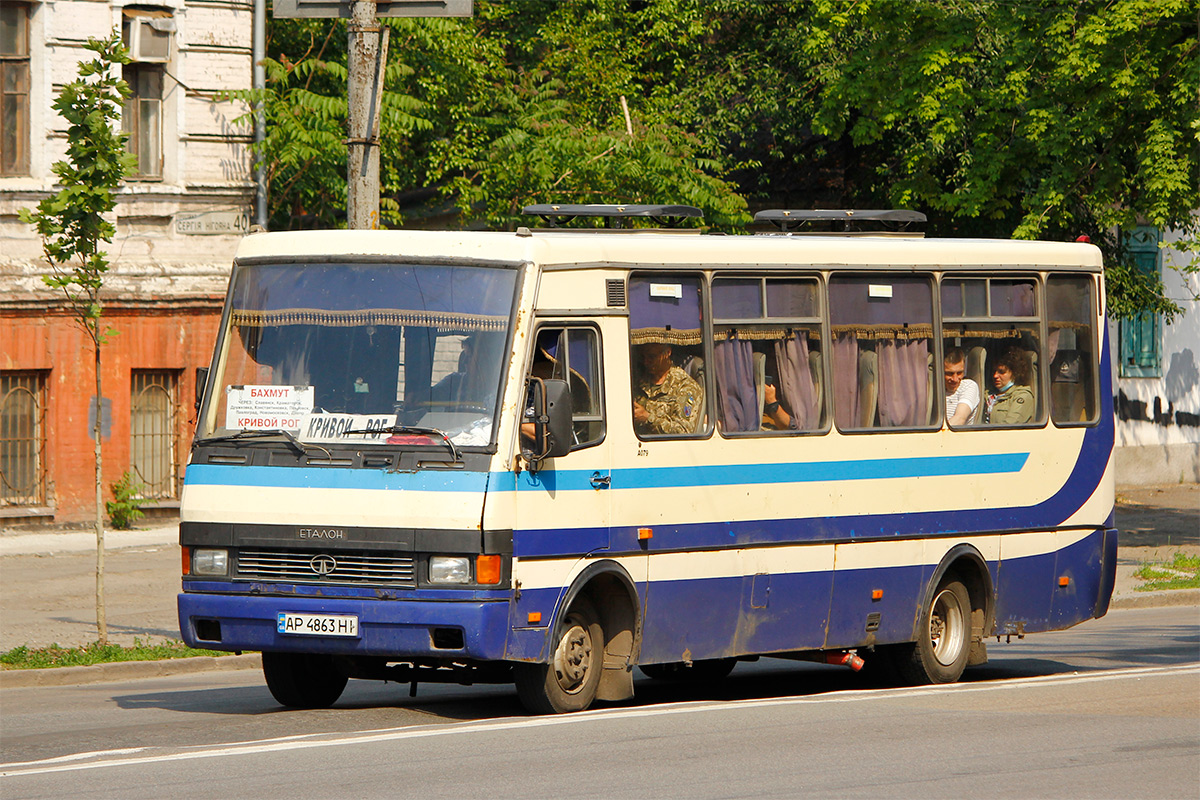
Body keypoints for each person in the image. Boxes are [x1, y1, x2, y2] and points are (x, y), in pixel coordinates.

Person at [632, 342, 702, 435]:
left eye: (651, 357)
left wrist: (648, 418)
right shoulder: (639, 382)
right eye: (643, 357)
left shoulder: (685, 387)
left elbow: (683, 431)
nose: (646, 362)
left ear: (667, 352)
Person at [985, 347, 1035, 424]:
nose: (995, 376)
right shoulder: (988, 393)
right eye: (994, 371)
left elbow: (1010, 426)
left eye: (1001, 372)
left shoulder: (1022, 396)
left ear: (1015, 373)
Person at [943, 347, 980, 427]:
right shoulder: (935, 388)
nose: (955, 379)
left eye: (959, 373)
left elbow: (960, 418)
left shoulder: (969, 386)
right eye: (949, 373)